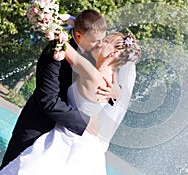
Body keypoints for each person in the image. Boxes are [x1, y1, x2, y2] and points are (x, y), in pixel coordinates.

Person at [0, 32, 141, 174]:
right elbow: (118, 90)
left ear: (114, 53)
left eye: (106, 41)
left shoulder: (92, 74)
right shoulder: (112, 77)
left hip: (69, 135)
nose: (99, 41)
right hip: (87, 141)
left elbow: (66, 48)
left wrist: (53, 25)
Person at [0, 9, 108, 170]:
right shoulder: (55, 51)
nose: (101, 45)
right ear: (78, 36)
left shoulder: (92, 51)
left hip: (69, 140)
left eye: (102, 40)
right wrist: (84, 122)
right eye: (96, 41)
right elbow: (48, 101)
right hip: (38, 128)